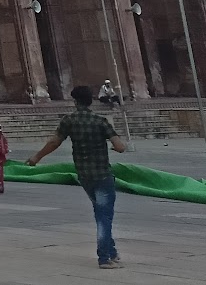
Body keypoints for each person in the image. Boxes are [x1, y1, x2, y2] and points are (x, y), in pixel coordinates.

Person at [27, 85, 129, 269]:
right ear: (91, 100)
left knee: (100, 213)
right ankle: (104, 257)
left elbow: (54, 141)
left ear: (75, 101)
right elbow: (120, 146)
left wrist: (37, 157)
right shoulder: (100, 121)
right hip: (102, 174)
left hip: (84, 175)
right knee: (104, 216)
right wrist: (116, 147)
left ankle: (111, 251)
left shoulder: (69, 120)